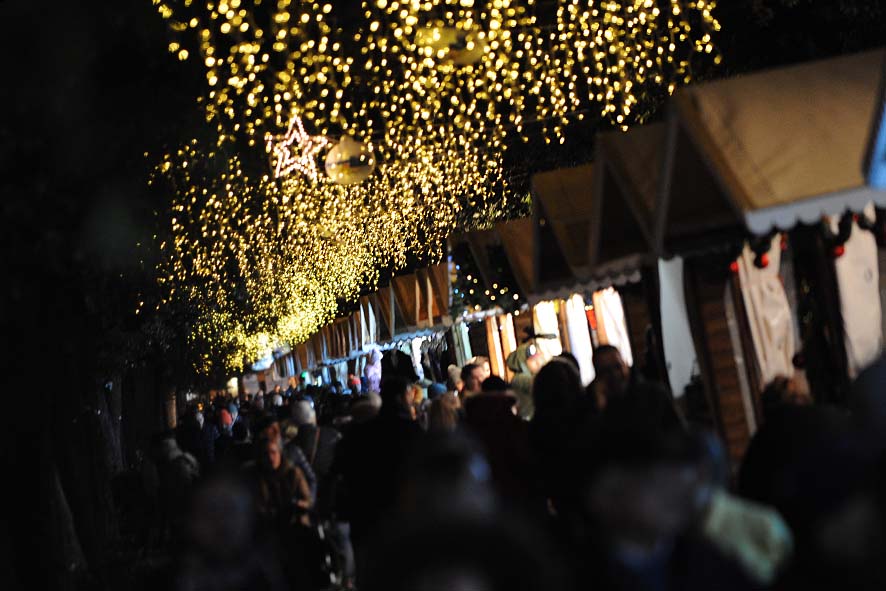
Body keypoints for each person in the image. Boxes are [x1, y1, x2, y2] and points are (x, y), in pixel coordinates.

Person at [332, 374, 424, 567]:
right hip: (402, 514)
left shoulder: (358, 434)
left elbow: (339, 471)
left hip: (365, 516)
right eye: (409, 394)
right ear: (400, 397)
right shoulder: (410, 430)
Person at [589, 344, 684, 433]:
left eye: (618, 367)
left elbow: (679, 434)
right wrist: (600, 407)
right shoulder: (593, 406)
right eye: (606, 371)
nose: (614, 375)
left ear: (625, 365)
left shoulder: (654, 394)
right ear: (598, 377)